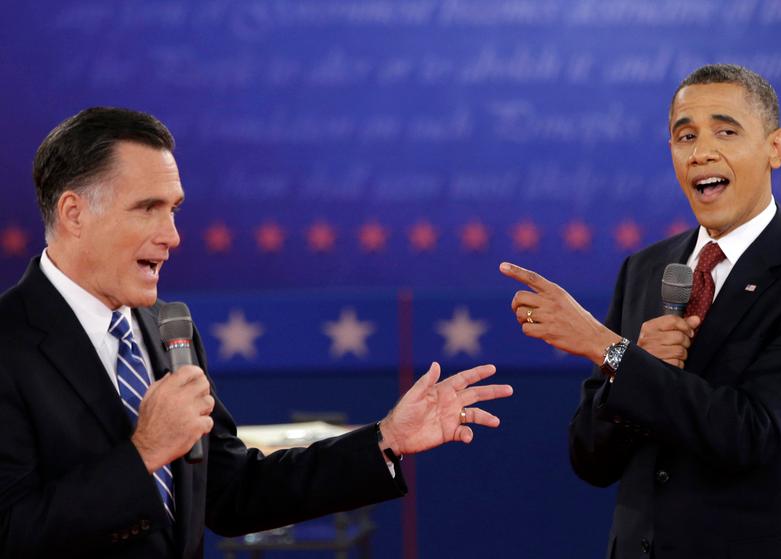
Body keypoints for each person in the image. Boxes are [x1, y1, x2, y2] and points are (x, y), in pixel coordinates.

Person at [0, 107, 513, 559]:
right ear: (74, 214)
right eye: (147, 208)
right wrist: (144, 455)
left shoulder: (166, 330)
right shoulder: (10, 344)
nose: (172, 236)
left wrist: (385, 440)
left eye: (173, 209)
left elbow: (232, 492)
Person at [500, 64, 781, 558]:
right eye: (685, 136)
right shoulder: (645, 268)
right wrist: (632, 363)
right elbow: (591, 457)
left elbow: (750, 433)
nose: (701, 152)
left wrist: (611, 350)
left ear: (776, 148)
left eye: (726, 131)